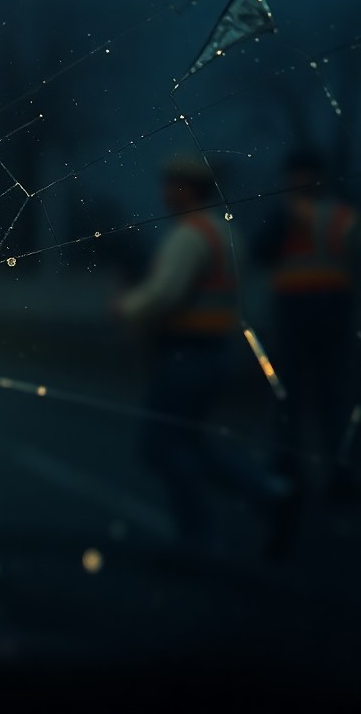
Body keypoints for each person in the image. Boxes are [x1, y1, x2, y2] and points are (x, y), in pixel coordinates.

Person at [117, 157, 285, 555]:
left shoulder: (190, 235)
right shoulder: (225, 233)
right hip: (213, 352)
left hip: (184, 354)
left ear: (188, 188)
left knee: (161, 447)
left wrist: (124, 307)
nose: (164, 192)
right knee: (189, 442)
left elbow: (164, 295)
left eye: (170, 184)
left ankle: (199, 538)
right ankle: (269, 494)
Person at [259, 149, 358, 555]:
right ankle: (316, 481)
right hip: (317, 317)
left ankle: (307, 480)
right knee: (315, 403)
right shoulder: (332, 217)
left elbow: (258, 252)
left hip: (312, 318)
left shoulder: (313, 215)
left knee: (308, 403)